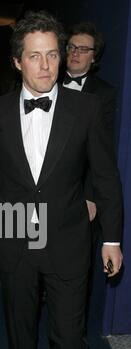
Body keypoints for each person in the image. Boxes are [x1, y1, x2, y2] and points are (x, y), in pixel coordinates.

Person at [0, 10, 123, 349]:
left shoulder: (86, 108)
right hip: (15, 237)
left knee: (69, 335)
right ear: (17, 62)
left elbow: (105, 176)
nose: (45, 66)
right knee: (19, 324)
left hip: (68, 241)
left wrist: (113, 237)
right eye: (34, 56)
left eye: (53, 55)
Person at [63, 21, 117, 224]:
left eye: (83, 49)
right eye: (72, 47)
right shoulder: (46, 83)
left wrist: (90, 196)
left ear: (94, 56)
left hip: (78, 192)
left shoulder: (104, 94)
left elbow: (101, 152)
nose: (76, 53)